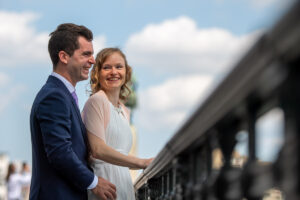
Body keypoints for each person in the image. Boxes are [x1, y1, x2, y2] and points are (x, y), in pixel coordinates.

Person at [29, 23, 116, 200]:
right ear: (64, 57)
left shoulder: (63, 94)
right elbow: (59, 151)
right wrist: (94, 182)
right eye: (86, 54)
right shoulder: (54, 96)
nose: (92, 60)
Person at [81, 47, 154, 200]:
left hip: (124, 183)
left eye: (119, 67)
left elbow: (121, 156)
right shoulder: (96, 101)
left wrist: (150, 162)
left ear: (126, 72)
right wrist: (141, 162)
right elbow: (98, 149)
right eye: (107, 67)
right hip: (105, 185)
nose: (114, 72)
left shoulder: (124, 110)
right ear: (97, 73)